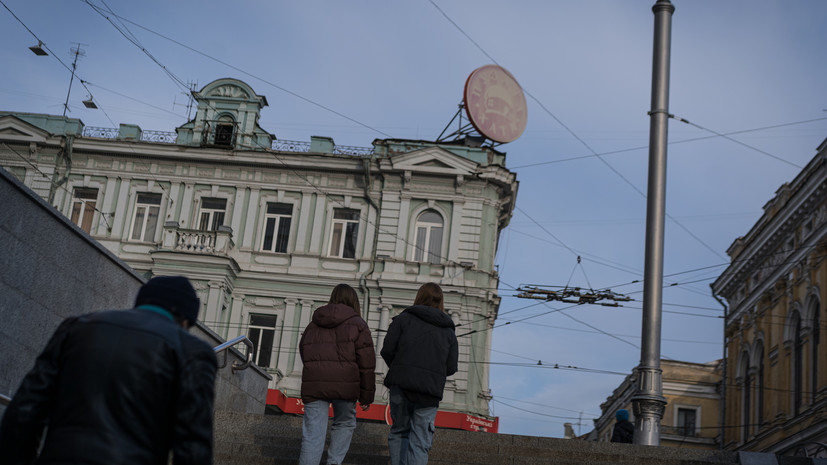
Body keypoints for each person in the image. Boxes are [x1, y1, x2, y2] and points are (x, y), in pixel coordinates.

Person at [0, 276, 217, 465]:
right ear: (185, 319)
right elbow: (192, 445)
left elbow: (24, 410)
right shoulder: (191, 350)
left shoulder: (77, 327)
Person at [381, 282, 458, 465]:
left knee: (399, 431)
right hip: (429, 393)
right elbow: (451, 367)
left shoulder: (403, 319)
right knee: (420, 441)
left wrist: (400, 367)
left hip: (401, 385)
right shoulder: (448, 331)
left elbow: (387, 350)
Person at [298, 283, 376, 465]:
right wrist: (366, 396)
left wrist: (316, 370)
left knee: (313, 433)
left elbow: (304, 350)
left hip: (315, 384)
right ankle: (334, 462)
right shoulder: (359, 324)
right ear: (354, 301)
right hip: (346, 384)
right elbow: (366, 362)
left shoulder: (313, 324)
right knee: (344, 423)